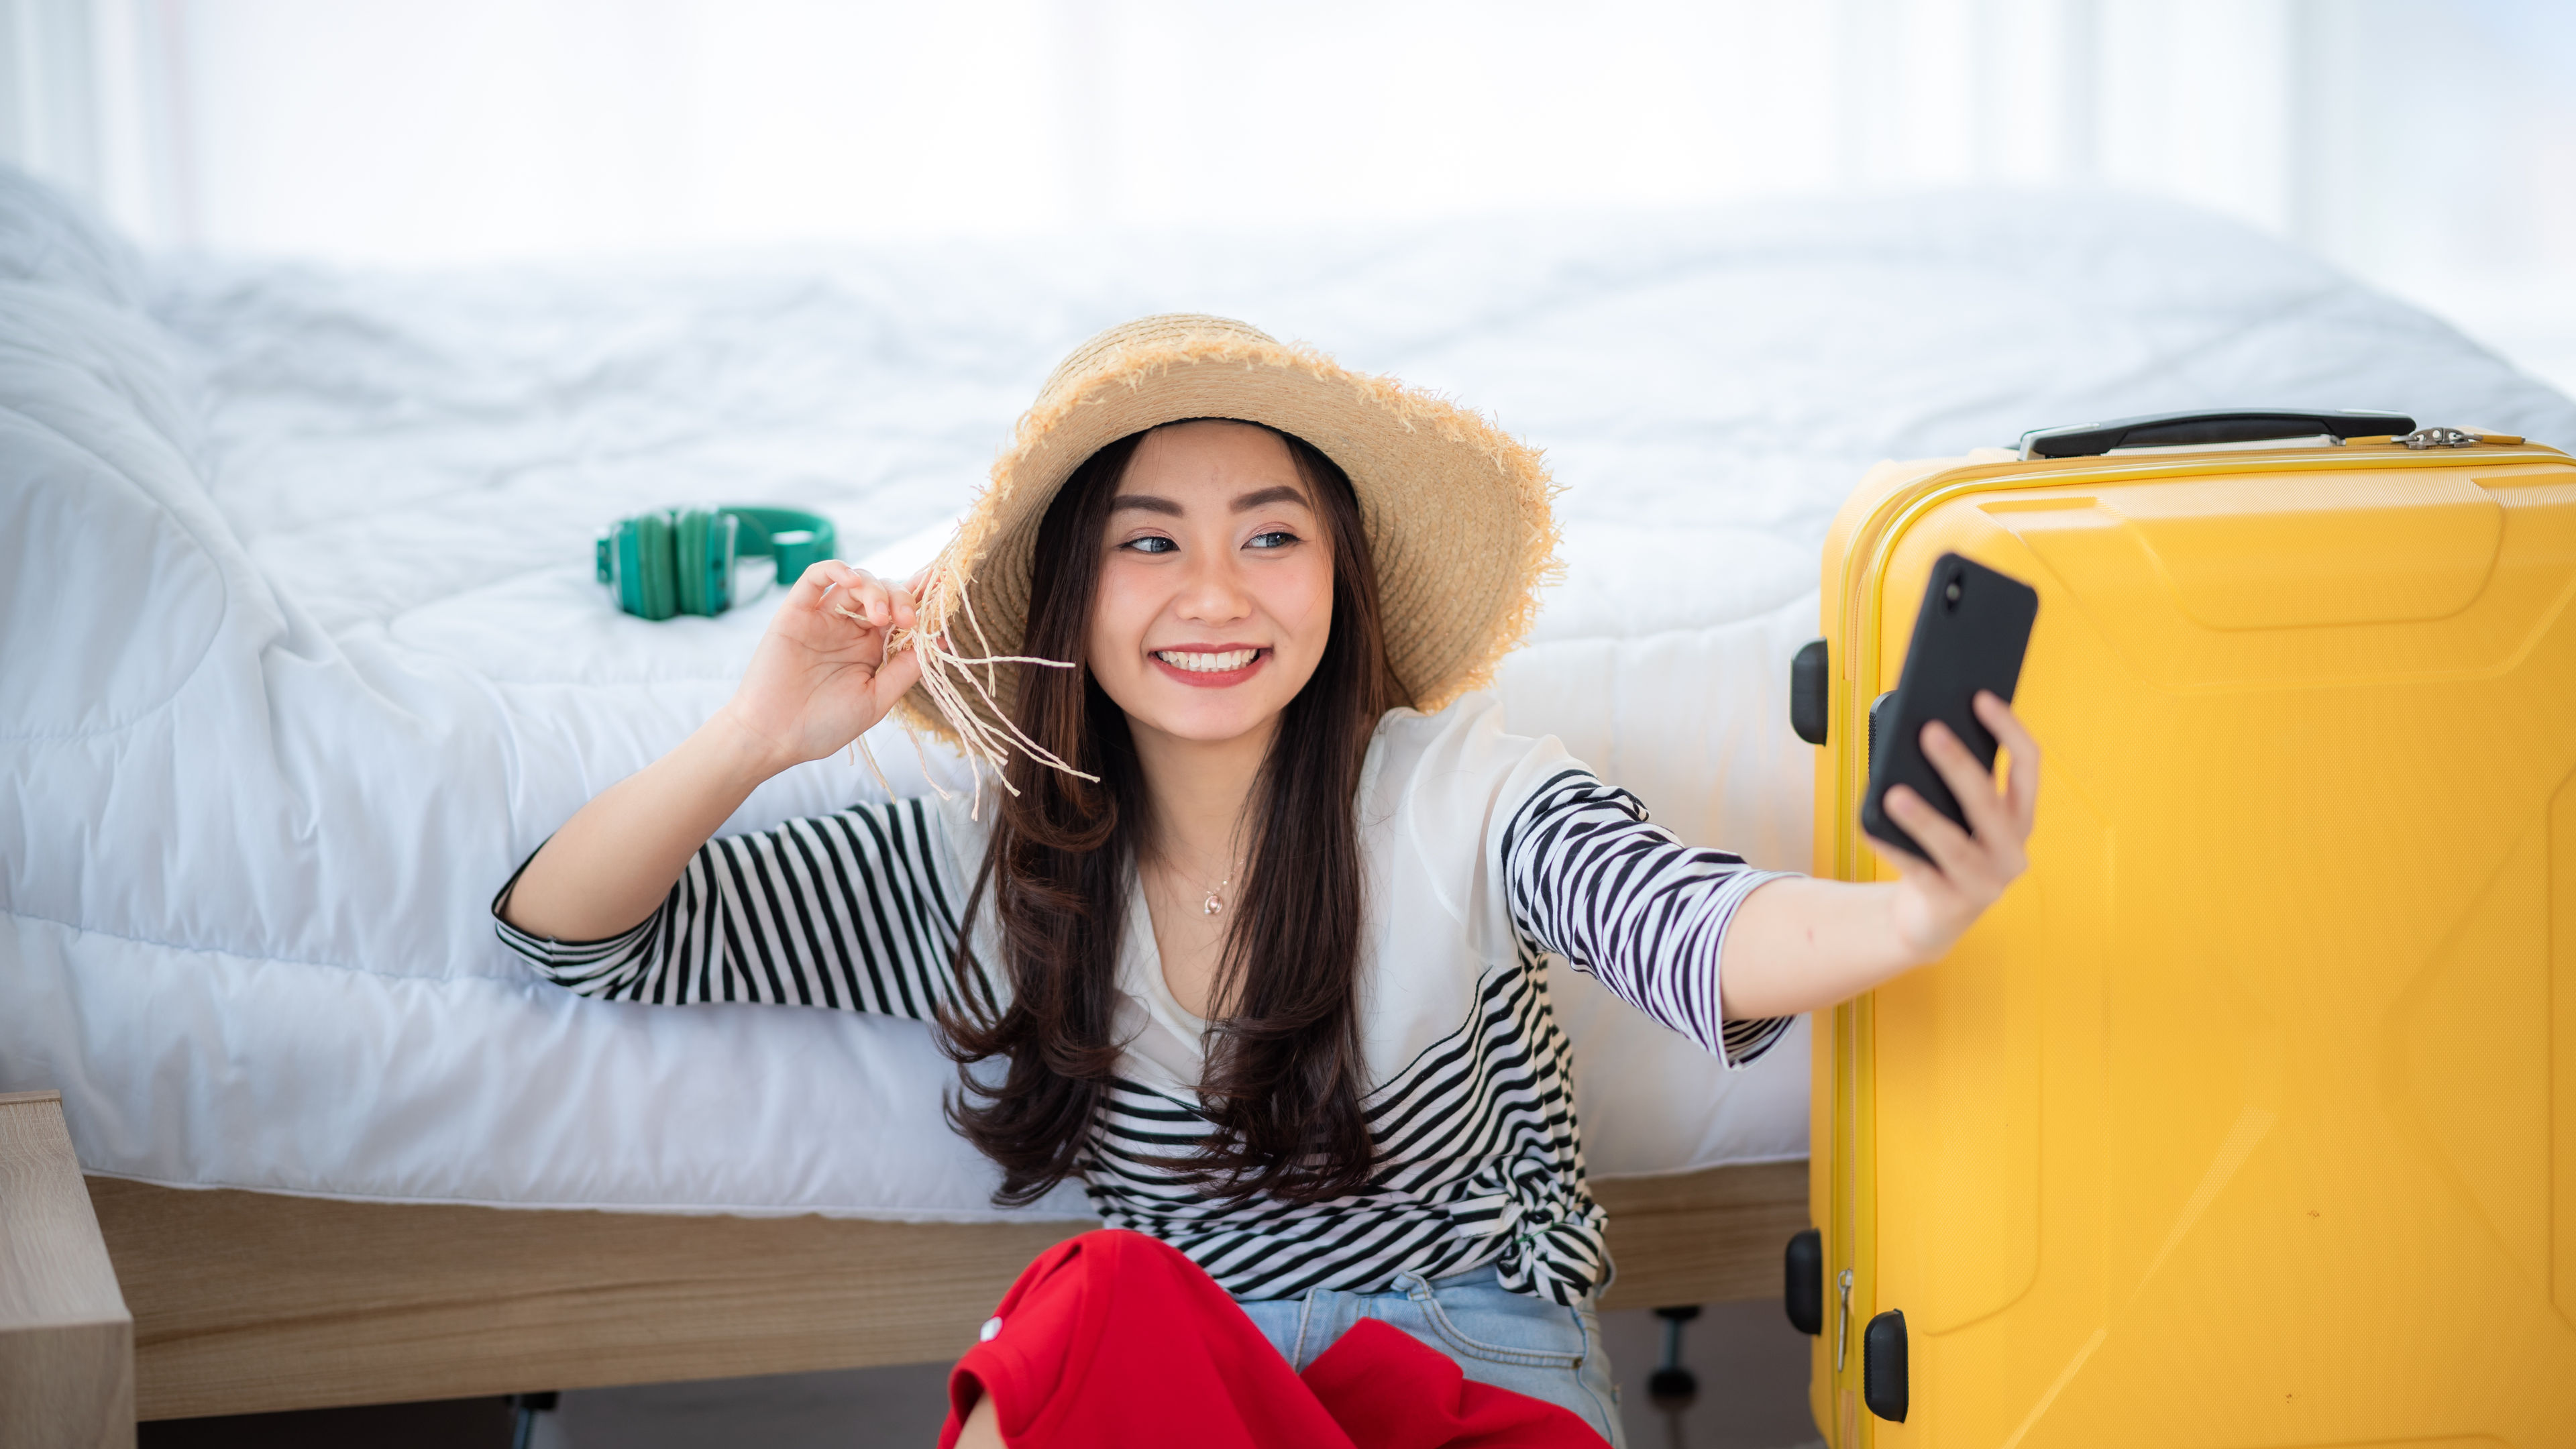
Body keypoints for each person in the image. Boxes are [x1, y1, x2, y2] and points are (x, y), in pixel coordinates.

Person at [493, 315, 2041, 1446]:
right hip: (1190, 1396)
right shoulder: (984, 860)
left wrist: (1916, 914)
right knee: (1095, 1303)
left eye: (1272, 537)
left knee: (1090, 1311)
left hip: (1472, 1377)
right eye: (1150, 544)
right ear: (1076, 597)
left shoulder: (1456, 790)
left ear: (1337, 580)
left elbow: (1690, 928)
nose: (1216, 595)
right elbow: (570, 938)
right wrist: (760, 735)